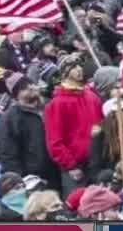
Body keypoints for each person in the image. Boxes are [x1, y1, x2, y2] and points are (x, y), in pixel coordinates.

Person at [43, 55, 104, 194]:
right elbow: (55, 141)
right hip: (75, 167)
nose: (79, 69)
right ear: (65, 72)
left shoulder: (92, 97)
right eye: (73, 67)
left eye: (79, 66)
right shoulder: (57, 104)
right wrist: (70, 166)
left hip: (97, 161)